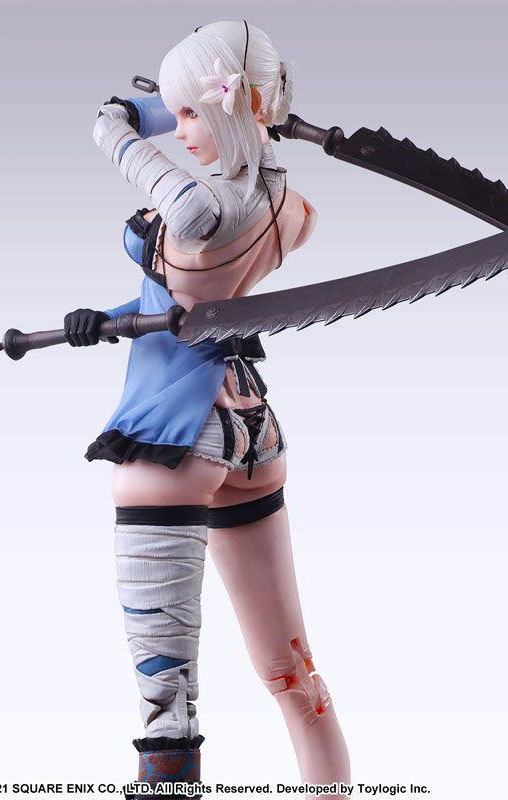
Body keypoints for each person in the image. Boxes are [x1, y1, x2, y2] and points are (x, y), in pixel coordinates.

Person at [67, 20, 350, 797]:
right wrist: (107, 319)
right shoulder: (288, 205)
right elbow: (190, 304)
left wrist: (128, 115)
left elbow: (116, 134)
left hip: (176, 433)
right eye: (178, 111)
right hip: (252, 425)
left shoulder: (197, 209)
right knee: (292, 673)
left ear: (231, 104)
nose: (182, 128)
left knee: (166, 704)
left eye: (194, 111)